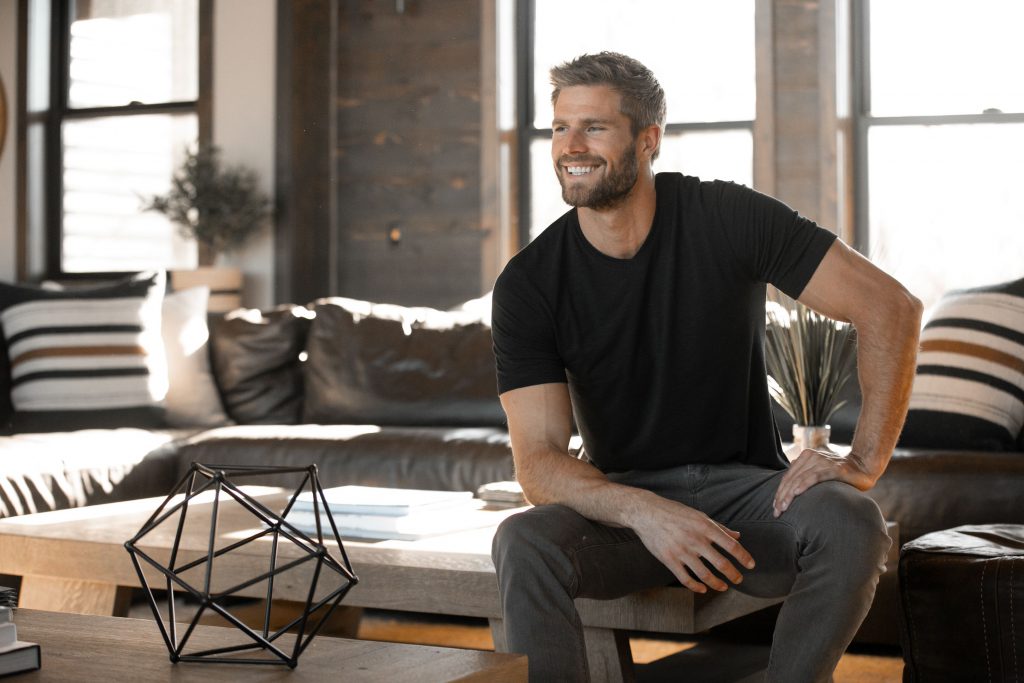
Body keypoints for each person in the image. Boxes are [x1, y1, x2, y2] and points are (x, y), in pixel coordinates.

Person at [489, 52, 923, 682]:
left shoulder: (726, 216)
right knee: (523, 541)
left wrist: (864, 460)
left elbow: (891, 307)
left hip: (748, 499)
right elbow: (538, 463)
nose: (570, 146)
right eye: (560, 128)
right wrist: (643, 511)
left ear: (648, 139)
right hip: (625, 512)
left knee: (853, 521)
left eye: (594, 127)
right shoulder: (530, 282)